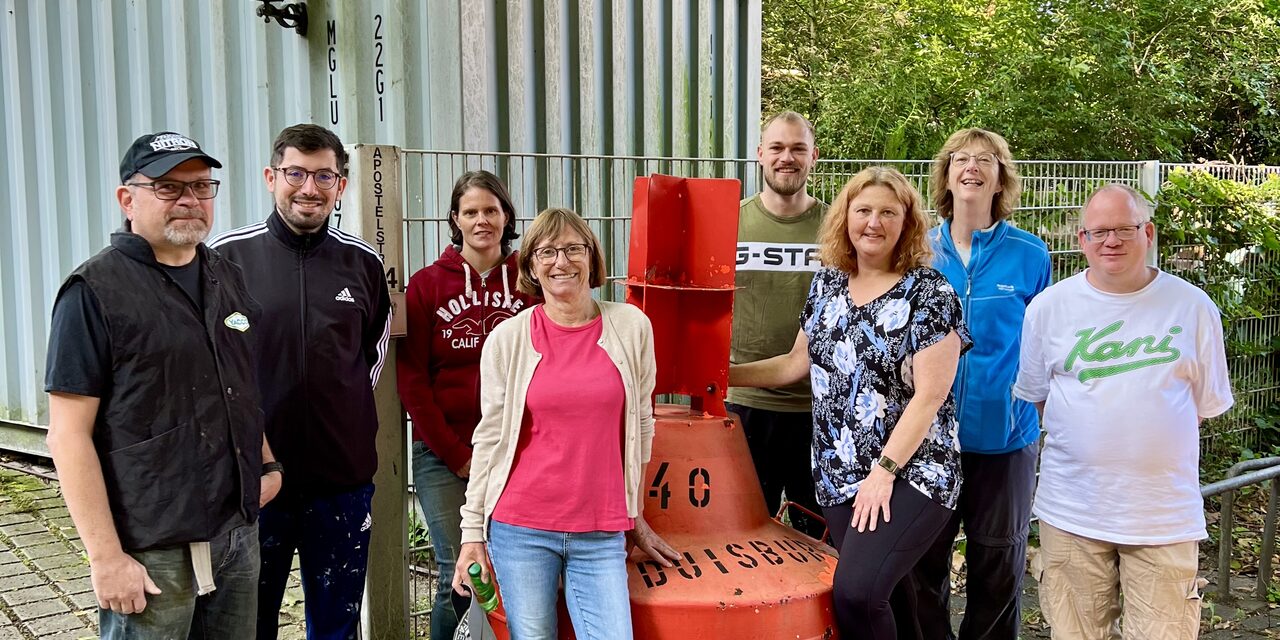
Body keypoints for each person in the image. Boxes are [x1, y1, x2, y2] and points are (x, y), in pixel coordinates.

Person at [44, 131, 276, 639]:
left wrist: (267, 463)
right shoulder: (94, 293)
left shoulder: (224, 275)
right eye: (169, 188)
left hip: (236, 535)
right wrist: (106, 557)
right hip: (152, 547)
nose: (190, 200)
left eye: (201, 186)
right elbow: (66, 435)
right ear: (128, 199)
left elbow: (238, 383)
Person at [730, 167, 971, 638]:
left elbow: (931, 396)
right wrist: (719, 376)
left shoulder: (930, 293)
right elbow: (794, 364)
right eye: (863, 211)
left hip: (912, 473)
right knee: (896, 601)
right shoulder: (827, 284)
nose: (873, 223)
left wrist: (883, 473)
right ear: (845, 219)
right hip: (839, 473)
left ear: (907, 222)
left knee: (857, 593)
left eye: (888, 212)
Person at [1015, 184, 1233, 639]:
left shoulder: (1193, 308)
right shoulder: (1048, 310)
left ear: (1147, 232)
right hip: (1072, 512)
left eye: (1123, 229)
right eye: (1098, 232)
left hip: (1163, 517)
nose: (1110, 241)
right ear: (1082, 241)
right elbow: (1039, 397)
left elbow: (1203, 406)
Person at [452, 207, 679, 639]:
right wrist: (471, 533)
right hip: (520, 528)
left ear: (592, 258)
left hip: (601, 529)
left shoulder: (631, 327)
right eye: (547, 252)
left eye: (574, 249)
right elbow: (490, 440)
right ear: (532, 266)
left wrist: (635, 513)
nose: (562, 261)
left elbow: (643, 425)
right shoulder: (508, 340)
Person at [209, 124, 392, 640]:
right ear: (272, 177)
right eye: (296, 174)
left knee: (337, 623)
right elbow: (213, 364)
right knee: (250, 622)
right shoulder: (226, 259)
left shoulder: (363, 263)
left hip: (342, 482)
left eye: (323, 176)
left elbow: (369, 358)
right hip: (255, 483)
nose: (309, 188)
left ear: (342, 185)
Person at [912, 128, 1051, 640]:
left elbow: (1042, 345)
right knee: (922, 566)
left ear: (1001, 177)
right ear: (946, 175)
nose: (972, 166)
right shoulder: (918, 251)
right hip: (928, 442)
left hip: (1005, 442)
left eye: (985, 159)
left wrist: (1029, 415)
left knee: (997, 567)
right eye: (960, 158)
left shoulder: (1030, 254)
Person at [397, 170, 536, 640]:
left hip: (523, 451)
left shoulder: (530, 282)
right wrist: (458, 455)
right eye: (471, 212)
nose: (482, 220)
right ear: (455, 219)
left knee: (521, 570)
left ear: (506, 216)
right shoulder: (426, 286)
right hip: (445, 454)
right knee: (458, 577)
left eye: (491, 211)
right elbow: (412, 380)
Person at [727, 110, 827, 538]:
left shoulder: (839, 227)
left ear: (814, 157)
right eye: (778, 148)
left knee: (821, 541)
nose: (787, 157)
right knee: (744, 535)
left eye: (798, 148)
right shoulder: (730, 222)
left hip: (820, 408)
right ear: (760, 155)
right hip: (745, 405)